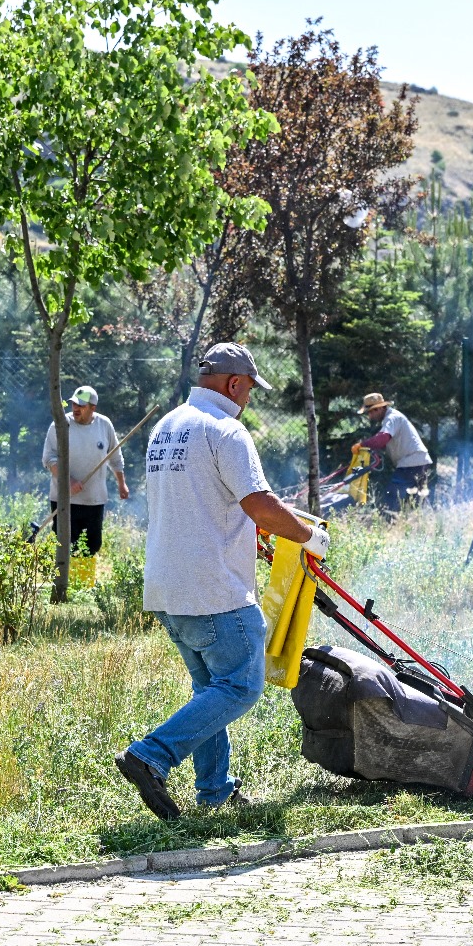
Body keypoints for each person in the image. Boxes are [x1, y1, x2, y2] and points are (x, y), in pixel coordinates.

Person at [115, 343, 329, 820]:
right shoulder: (226, 429)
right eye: (249, 388)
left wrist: (247, 531)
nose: (248, 398)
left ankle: (214, 790)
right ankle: (151, 755)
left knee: (210, 688)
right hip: (214, 589)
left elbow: (201, 501)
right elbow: (261, 506)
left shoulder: (167, 427)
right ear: (234, 383)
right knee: (240, 687)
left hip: (167, 587)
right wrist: (309, 536)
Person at [41, 385, 129, 558]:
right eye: (74, 404)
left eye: (81, 405)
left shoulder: (104, 425)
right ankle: (65, 577)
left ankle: (84, 576)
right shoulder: (60, 425)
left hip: (94, 500)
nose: (75, 408)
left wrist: (121, 484)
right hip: (65, 500)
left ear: (92, 407)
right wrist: (69, 482)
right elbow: (49, 459)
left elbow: (115, 457)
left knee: (92, 547)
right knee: (65, 547)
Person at [356, 392, 433, 514]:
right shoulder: (392, 418)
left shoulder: (392, 418)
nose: (370, 416)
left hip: (411, 462)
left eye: (371, 412)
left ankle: (390, 521)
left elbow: (382, 439)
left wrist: (361, 445)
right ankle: (417, 520)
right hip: (417, 461)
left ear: (379, 408)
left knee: (392, 496)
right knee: (416, 499)